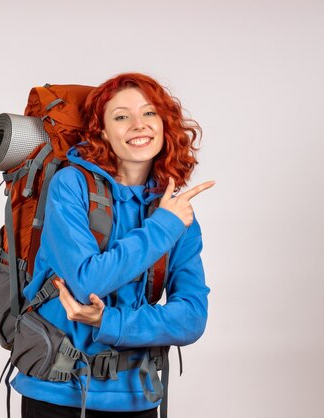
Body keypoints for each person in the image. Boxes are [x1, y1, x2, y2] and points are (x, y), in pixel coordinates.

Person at [11, 73, 215, 418]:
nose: (139, 125)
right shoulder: (70, 186)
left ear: (165, 125)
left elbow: (192, 318)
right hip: (57, 395)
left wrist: (111, 322)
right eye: (122, 116)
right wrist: (163, 225)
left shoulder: (177, 214)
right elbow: (87, 282)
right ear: (102, 132)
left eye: (149, 114)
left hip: (139, 397)